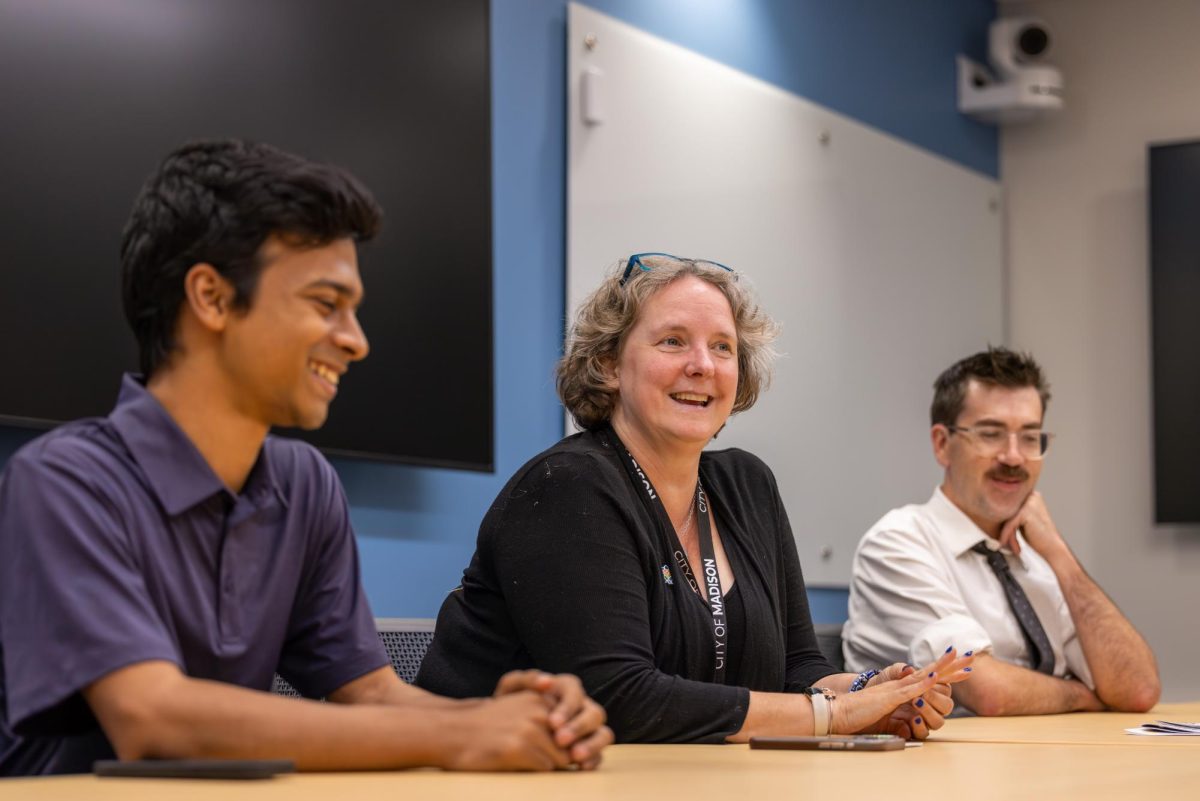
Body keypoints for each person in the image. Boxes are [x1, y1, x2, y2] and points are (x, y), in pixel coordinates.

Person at [0, 139, 611, 775]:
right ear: (210, 297)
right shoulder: (63, 482)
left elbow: (371, 692)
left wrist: (503, 719)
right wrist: (455, 739)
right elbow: (152, 718)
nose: (356, 341)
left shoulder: (304, 484)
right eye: (326, 304)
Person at [416, 253, 972, 743]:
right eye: (672, 341)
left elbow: (798, 668)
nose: (702, 365)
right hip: (482, 779)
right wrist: (834, 714)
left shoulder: (747, 485)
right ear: (609, 365)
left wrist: (876, 691)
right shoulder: (569, 485)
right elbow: (620, 700)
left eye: (722, 347)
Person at [843, 347, 1160, 716]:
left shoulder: (1036, 557)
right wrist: (1086, 696)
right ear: (942, 444)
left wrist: (1059, 553)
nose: (1013, 457)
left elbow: (1138, 689)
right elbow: (989, 691)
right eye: (991, 434)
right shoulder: (898, 543)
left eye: (1029, 437)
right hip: (928, 771)